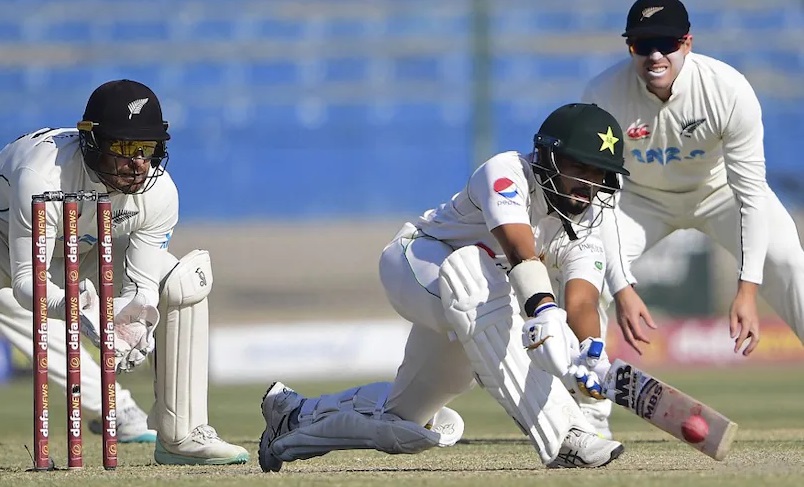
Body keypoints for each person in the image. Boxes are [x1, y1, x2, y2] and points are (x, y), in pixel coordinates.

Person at [256, 103, 632, 471]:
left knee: (405, 426)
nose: (587, 185)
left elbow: (582, 301)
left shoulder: (588, 222)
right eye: (578, 168)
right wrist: (545, 311)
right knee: (481, 278)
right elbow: (518, 248)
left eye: (598, 174)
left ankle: (293, 415)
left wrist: (590, 352)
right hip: (418, 264)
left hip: (477, 302)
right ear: (548, 157)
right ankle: (567, 434)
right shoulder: (507, 171)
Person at [582, 0, 804, 435]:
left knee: (790, 262)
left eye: (666, 43)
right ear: (630, 49)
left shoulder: (728, 89)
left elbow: (752, 194)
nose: (655, 56)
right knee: (583, 272)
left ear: (687, 43)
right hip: (638, 199)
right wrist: (620, 284)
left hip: (718, 193)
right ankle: (586, 420)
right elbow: (600, 202)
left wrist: (748, 290)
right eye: (643, 45)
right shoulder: (601, 94)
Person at [0, 79, 249, 465]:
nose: (137, 164)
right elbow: (25, 284)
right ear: (93, 143)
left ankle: (182, 435)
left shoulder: (160, 192)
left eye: (146, 149)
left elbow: (144, 287)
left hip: (88, 244)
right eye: (124, 148)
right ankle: (115, 409)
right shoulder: (44, 176)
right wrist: (85, 311)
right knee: (16, 306)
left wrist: (135, 320)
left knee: (180, 282)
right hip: (8, 246)